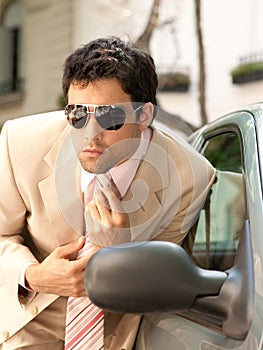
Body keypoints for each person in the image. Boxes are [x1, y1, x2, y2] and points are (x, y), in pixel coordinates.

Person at [0, 36, 215, 349]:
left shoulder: (189, 177)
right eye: (77, 114)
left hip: (111, 334)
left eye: (110, 117)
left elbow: (157, 282)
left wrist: (118, 250)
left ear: (144, 116)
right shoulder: (19, 143)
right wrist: (33, 274)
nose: (89, 134)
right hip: (26, 321)